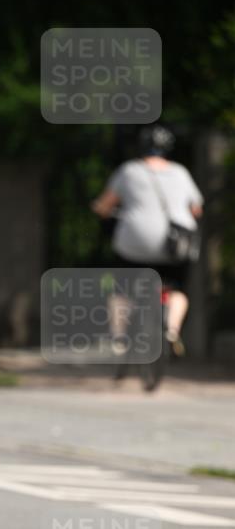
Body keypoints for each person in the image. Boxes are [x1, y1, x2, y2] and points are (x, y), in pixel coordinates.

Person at [91, 125, 203, 356]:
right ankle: (172, 329)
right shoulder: (180, 172)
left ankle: (120, 339)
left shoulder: (129, 171)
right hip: (176, 245)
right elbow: (196, 209)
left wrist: (100, 209)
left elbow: (105, 205)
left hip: (136, 242)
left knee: (121, 291)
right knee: (177, 289)